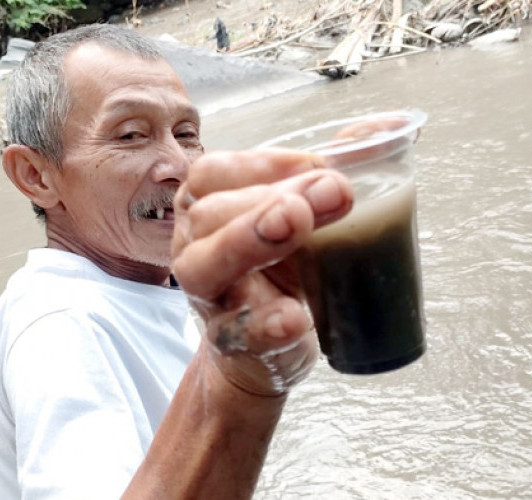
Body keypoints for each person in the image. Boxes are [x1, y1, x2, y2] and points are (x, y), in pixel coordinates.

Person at [0, 24, 354, 499]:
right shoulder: (62, 327)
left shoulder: (154, 286)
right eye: (130, 135)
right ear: (36, 175)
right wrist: (243, 383)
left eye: (186, 134)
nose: (181, 167)